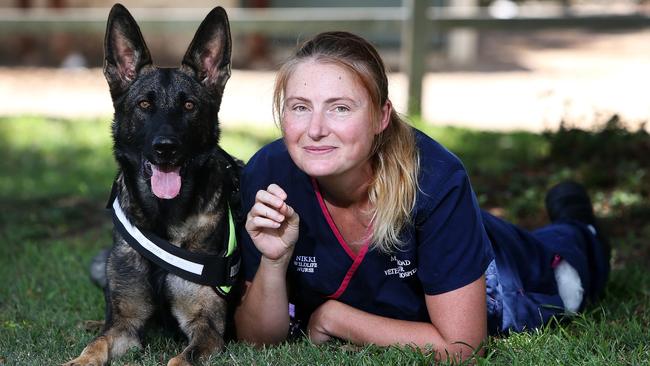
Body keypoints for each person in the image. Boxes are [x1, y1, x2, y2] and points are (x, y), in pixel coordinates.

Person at [233, 31, 610, 361]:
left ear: (382, 117)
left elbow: (462, 348)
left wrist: (336, 318)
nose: (315, 130)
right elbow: (257, 342)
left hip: (502, 268)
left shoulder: (435, 178)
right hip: (452, 241)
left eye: (340, 108)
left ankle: (577, 222)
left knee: (569, 269)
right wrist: (273, 262)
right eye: (300, 107)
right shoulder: (268, 175)